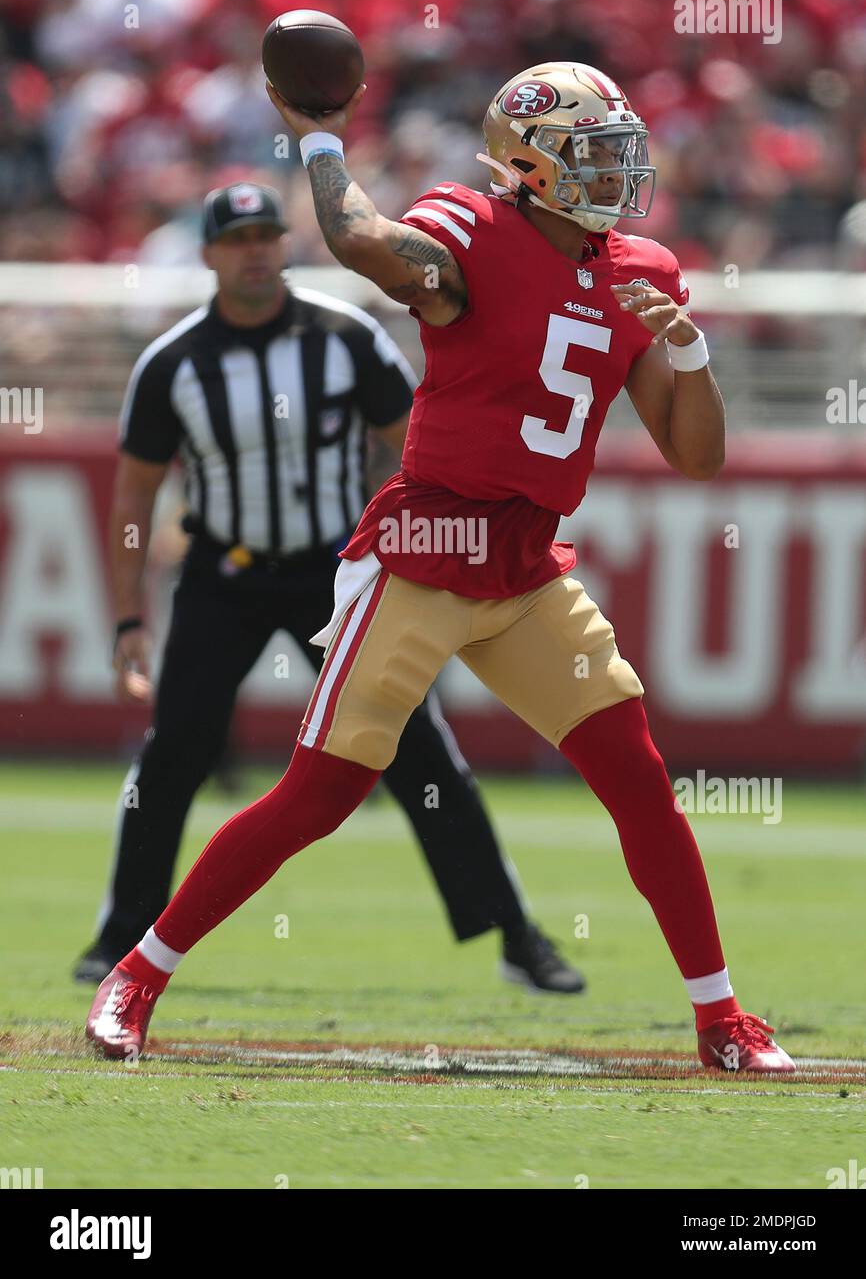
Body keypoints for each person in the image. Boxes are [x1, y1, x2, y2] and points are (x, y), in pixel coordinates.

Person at [87, 63, 794, 1072]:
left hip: (524, 562)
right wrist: (322, 142)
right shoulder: (472, 227)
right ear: (525, 164)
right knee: (319, 794)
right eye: (589, 152)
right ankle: (137, 973)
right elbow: (361, 241)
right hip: (424, 550)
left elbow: (696, 455)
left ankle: (721, 1017)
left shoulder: (643, 267)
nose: (614, 172)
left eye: (615, 151)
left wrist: (685, 353)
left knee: (638, 781)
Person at [76, 181, 583, 995]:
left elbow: (420, 442)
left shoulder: (344, 337)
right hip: (225, 574)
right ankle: (121, 936)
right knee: (175, 754)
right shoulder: (172, 360)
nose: (255, 251)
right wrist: (129, 615)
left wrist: (411, 546)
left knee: (421, 751)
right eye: (238, 239)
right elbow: (135, 495)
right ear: (207, 254)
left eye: (267, 235)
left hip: (332, 573)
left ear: (285, 243)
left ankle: (515, 935)